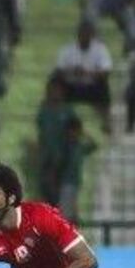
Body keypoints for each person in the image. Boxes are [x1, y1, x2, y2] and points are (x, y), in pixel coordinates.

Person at [54, 21, 112, 125]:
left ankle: (106, 121)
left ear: (93, 35)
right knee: (55, 82)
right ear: (78, 34)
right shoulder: (67, 49)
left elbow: (106, 71)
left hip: (92, 85)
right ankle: (58, 116)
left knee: (104, 85)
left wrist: (88, 73)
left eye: (88, 34)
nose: (85, 37)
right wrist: (72, 72)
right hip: (71, 85)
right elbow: (58, 71)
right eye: (83, 34)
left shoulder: (100, 49)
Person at [37, 77, 76, 206]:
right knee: (47, 188)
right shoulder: (44, 110)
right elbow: (41, 132)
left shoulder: (68, 110)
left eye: (58, 90)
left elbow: (74, 131)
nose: (55, 92)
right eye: (52, 89)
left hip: (64, 157)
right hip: (47, 157)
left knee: (62, 191)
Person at [58, 117, 97, 223]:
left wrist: (85, 133)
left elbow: (94, 145)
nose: (73, 134)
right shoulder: (64, 146)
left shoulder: (78, 146)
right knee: (66, 212)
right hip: (65, 182)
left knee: (71, 211)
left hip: (75, 182)